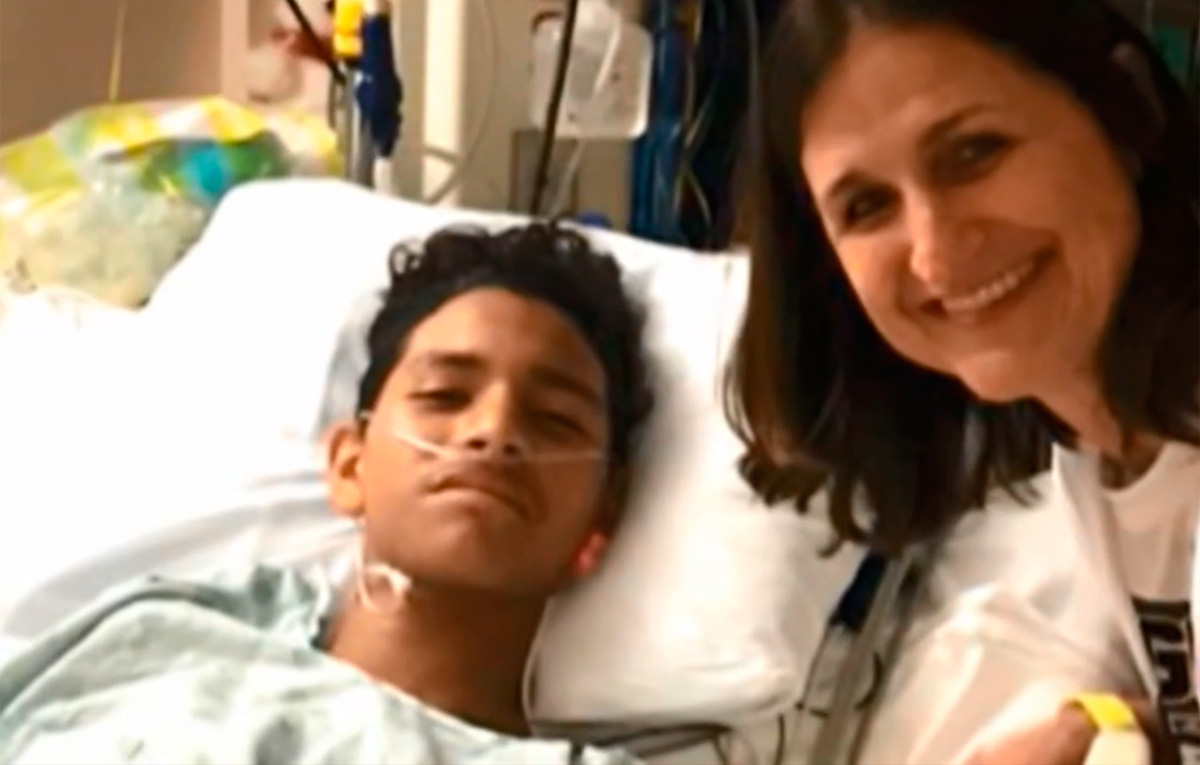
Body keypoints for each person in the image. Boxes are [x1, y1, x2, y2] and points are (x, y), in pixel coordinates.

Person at [724, 0, 1198, 763]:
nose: (935, 254)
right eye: (867, 206)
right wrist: (1103, 725)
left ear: (1126, 107)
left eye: (975, 152)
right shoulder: (1106, 454)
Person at [0, 222, 654, 763]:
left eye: (555, 420)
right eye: (444, 394)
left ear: (602, 516)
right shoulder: (168, 632)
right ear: (349, 464)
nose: (494, 430)